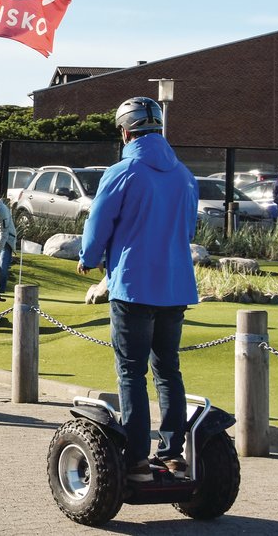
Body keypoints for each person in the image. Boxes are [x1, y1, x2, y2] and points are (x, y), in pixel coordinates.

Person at [77, 96, 199, 484]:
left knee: (131, 372)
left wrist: (89, 257)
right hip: (175, 284)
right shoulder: (184, 174)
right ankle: (173, 455)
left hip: (133, 285)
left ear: (126, 131)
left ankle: (135, 459)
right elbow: (189, 229)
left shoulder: (123, 171)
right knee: (168, 370)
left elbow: (99, 221)